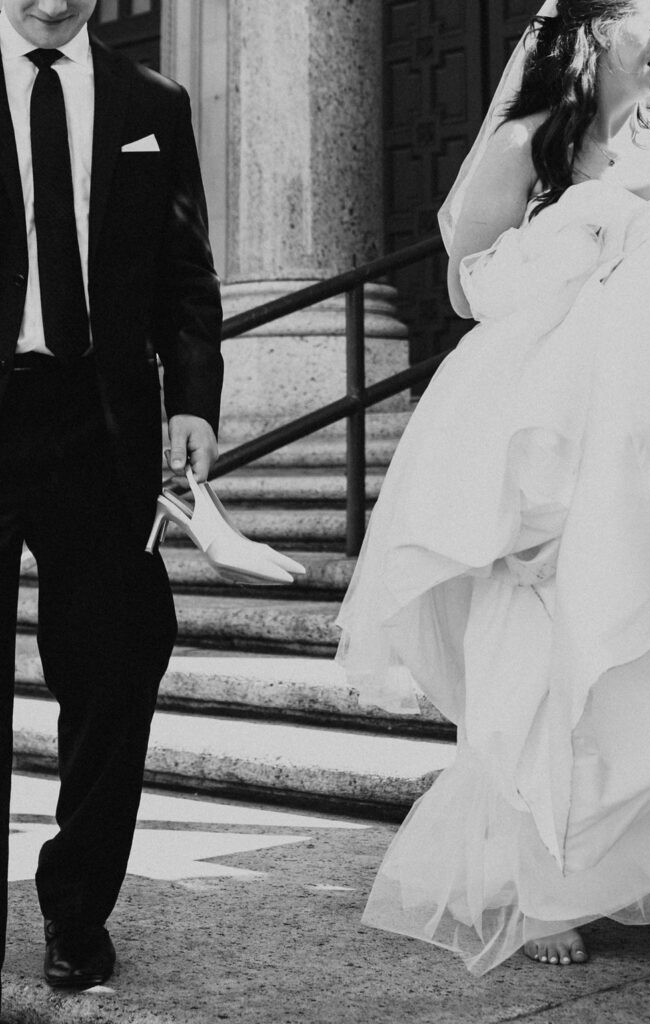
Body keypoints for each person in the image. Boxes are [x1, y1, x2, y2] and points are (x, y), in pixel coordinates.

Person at [336, 0, 650, 975]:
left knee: (645, 660)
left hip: (641, 437)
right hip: (538, 421)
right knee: (541, 661)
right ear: (579, 36)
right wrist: (575, 260)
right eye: (637, 19)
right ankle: (534, 887)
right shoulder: (528, 142)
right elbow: (464, 287)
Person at [0, 0, 223, 1005]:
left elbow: (186, 276)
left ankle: (78, 911)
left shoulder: (152, 102)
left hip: (103, 429)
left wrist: (197, 406)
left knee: (119, 661)